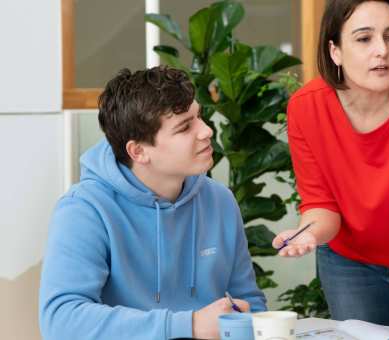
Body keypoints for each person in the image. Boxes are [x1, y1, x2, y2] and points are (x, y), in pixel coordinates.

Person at [271, 0, 389, 331]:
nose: (382, 51)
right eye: (364, 39)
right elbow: (321, 206)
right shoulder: (306, 108)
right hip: (351, 262)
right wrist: (307, 233)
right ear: (335, 51)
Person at [39, 66, 267, 340]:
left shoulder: (219, 200)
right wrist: (189, 325)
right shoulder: (85, 210)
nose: (206, 131)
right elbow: (61, 320)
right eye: (185, 127)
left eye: (199, 117)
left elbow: (248, 304)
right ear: (138, 151)